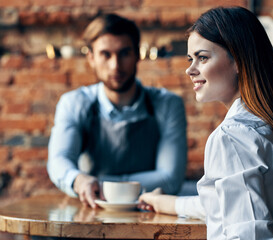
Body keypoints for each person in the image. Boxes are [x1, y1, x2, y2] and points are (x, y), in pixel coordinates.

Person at [138, 6, 273, 240]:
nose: (189, 69)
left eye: (202, 57)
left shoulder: (234, 136)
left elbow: (250, 233)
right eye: (190, 59)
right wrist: (164, 202)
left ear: (238, 60)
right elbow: (228, 206)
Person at [47, 14, 188, 209]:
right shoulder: (73, 103)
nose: (116, 66)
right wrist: (79, 181)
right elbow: (59, 160)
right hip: (90, 215)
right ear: (91, 58)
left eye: (124, 53)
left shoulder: (168, 104)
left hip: (150, 217)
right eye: (106, 54)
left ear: (138, 55)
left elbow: (170, 178)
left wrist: (99, 184)